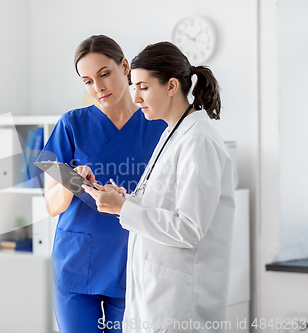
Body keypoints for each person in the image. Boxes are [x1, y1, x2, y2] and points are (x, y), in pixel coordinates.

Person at [82, 41, 235, 333]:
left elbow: (189, 227)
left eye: (143, 86)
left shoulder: (197, 140)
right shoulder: (172, 133)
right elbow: (164, 204)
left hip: (179, 303)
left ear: (171, 85)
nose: (135, 97)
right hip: (155, 294)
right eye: (134, 86)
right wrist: (124, 201)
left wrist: (124, 209)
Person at [37, 35, 166, 332]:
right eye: (87, 81)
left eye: (104, 74)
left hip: (132, 262)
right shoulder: (71, 125)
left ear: (124, 66)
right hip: (76, 266)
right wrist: (73, 182)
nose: (98, 88)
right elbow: (51, 205)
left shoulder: (158, 126)